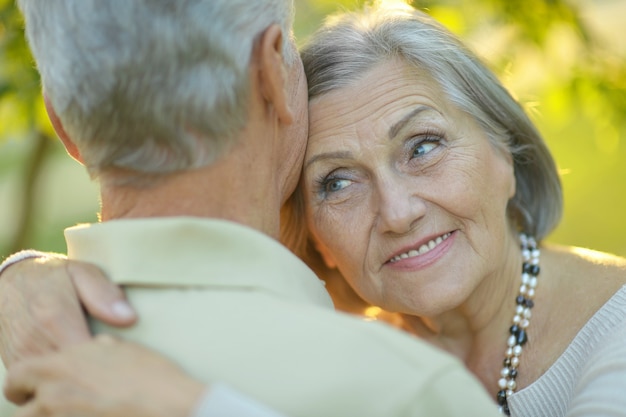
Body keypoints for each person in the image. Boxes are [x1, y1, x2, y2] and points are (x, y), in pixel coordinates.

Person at [4, 2, 625, 417]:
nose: (398, 211)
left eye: (424, 146)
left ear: (505, 151)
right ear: (309, 230)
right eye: (335, 183)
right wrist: (21, 273)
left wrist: (192, 407)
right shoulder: (361, 363)